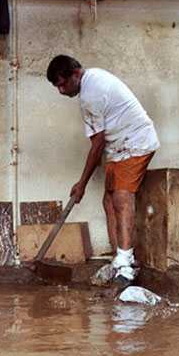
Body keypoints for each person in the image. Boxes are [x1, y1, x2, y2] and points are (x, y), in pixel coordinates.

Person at [46, 55, 160, 286]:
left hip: (135, 142)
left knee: (121, 197)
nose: (60, 90)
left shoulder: (91, 92)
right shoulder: (90, 84)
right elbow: (98, 144)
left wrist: (82, 184)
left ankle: (126, 266)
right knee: (108, 201)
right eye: (56, 86)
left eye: (62, 84)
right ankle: (119, 259)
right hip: (119, 146)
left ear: (75, 74)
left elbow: (97, 144)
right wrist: (82, 184)